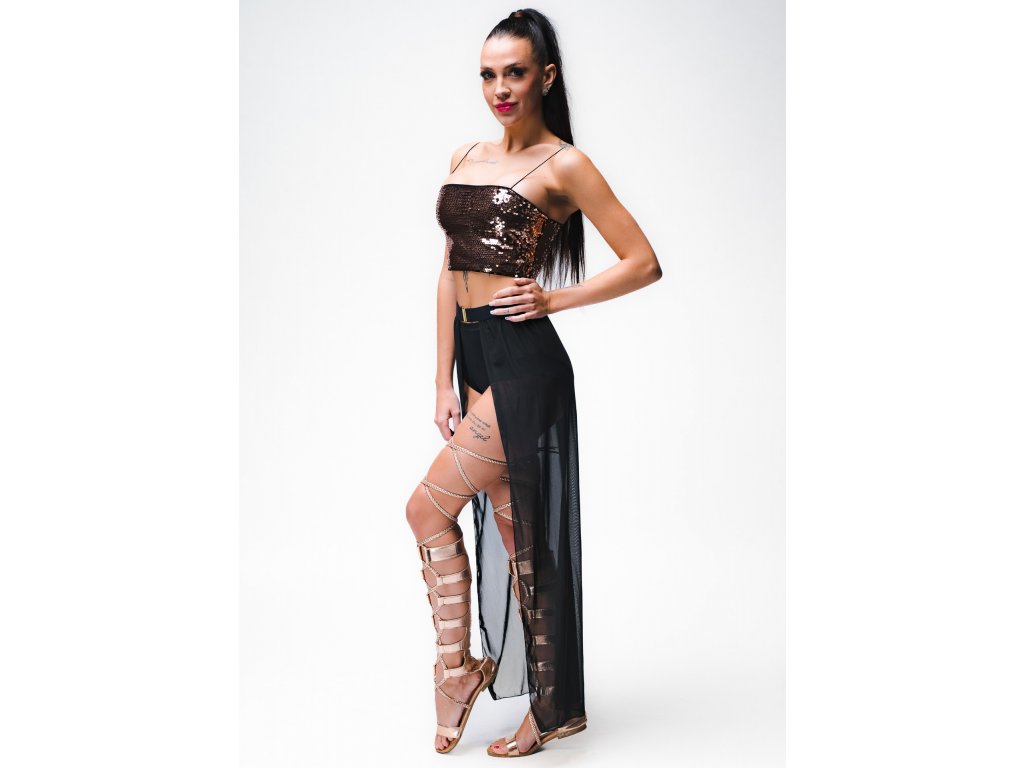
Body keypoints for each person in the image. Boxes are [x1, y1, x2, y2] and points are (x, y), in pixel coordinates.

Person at [405, 8, 663, 758]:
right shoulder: (466, 153)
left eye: (515, 72)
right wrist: (442, 380)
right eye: (488, 74)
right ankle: (551, 708)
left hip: (525, 361)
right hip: (474, 361)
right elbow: (449, 272)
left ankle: (456, 672)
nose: (500, 88)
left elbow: (643, 262)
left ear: (545, 77)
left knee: (426, 509)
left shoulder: (564, 164)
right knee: (517, 535)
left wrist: (555, 299)